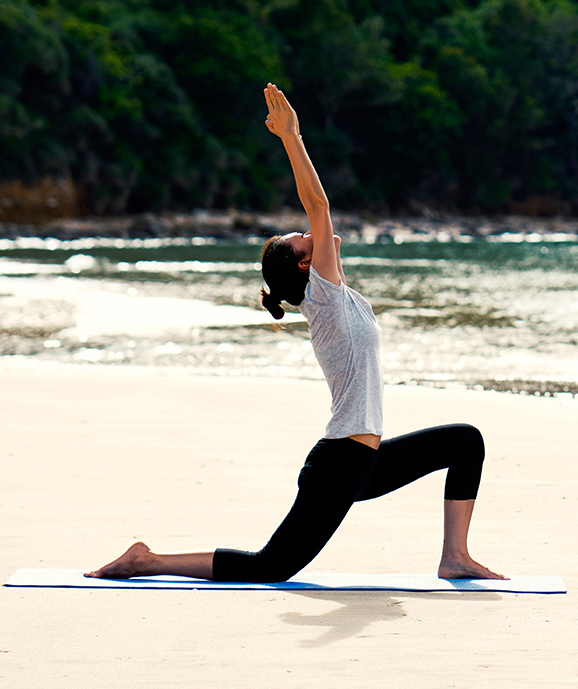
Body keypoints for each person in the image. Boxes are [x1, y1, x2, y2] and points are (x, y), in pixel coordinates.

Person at [88, 83, 506, 582]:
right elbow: (319, 205)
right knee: (272, 566)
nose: (313, 233)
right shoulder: (323, 298)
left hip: (366, 460)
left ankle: (454, 556)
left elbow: (322, 222)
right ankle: (147, 560)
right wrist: (292, 137)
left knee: (465, 443)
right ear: (307, 265)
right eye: (304, 239)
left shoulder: (339, 296)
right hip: (342, 462)